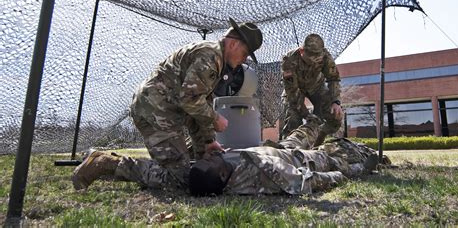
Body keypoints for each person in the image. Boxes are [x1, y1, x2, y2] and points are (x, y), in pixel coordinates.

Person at [71, 115, 385, 195]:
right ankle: (367, 156)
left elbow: (159, 175)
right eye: (212, 160)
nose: (209, 155)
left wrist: (119, 164)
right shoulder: (269, 173)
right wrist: (351, 172)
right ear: (223, 175)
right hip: (294, 157)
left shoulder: (200, 176)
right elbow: (312, 181)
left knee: (169, 176)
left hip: (274, 149)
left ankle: (107, 162)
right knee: (331, 155)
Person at [123, 18, 263, 189]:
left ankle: (171, 161)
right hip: (156, 112)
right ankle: (111, 164)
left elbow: (199, 108)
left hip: (162, 110)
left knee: (196, 163)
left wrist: (208, 142)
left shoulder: (215, 59)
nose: (244, 60)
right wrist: (215, 118)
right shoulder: (210, 57)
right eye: (245, 53)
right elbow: (189, 100)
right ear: (234, 44)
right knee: (179, 178)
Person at [280, 33, 344, 144]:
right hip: (295, 90)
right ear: (301, 51)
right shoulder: (289, 60)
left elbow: (333, 79)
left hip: (316, 87)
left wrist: (336, 101)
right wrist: (307, 115)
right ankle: (288, 149)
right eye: (310, 58)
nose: (314, 61)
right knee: (293, 118)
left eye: (317, 58)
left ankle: (319, 139)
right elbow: (293, 95)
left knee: (334, 116)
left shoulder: (326, 56)